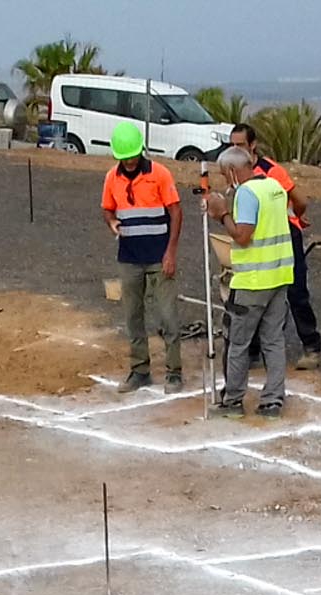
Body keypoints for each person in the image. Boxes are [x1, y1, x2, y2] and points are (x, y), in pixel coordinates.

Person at [208, 146, 293, 419]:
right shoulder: (274, 186)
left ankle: (232, 400)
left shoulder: (247, 192)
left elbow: (243, 236)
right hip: (279, 276)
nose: (225, 180)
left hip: (252, 281)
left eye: (224, 174)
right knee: (273, 340)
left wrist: (222, 214)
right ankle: (272, 400)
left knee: (238, 342)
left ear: (233, 170)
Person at [100, 120, 184, 394]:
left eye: (133, 155)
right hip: (129, 258)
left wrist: (170, 252)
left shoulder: (160, 174)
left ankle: (174, 372)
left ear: (141, 151)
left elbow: (175, 212)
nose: (130, 161)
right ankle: (140, 370)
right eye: (125, 157)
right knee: (133, 316)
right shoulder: (112, 177)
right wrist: (111, 222)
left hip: (159, 258)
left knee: (168, 316)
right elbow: (107, 210)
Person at [231, 121, 321, 368]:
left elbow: (299, 200)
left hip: (282, 235)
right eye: (233, 146)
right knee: (254, 290)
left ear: (253, 145)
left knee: (295, 291)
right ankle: (252, 349)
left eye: (240, 145)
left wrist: (295, 217)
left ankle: (311, 345)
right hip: (256, 238)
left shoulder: (272, 170)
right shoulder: (234, 172)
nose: (236, 151)